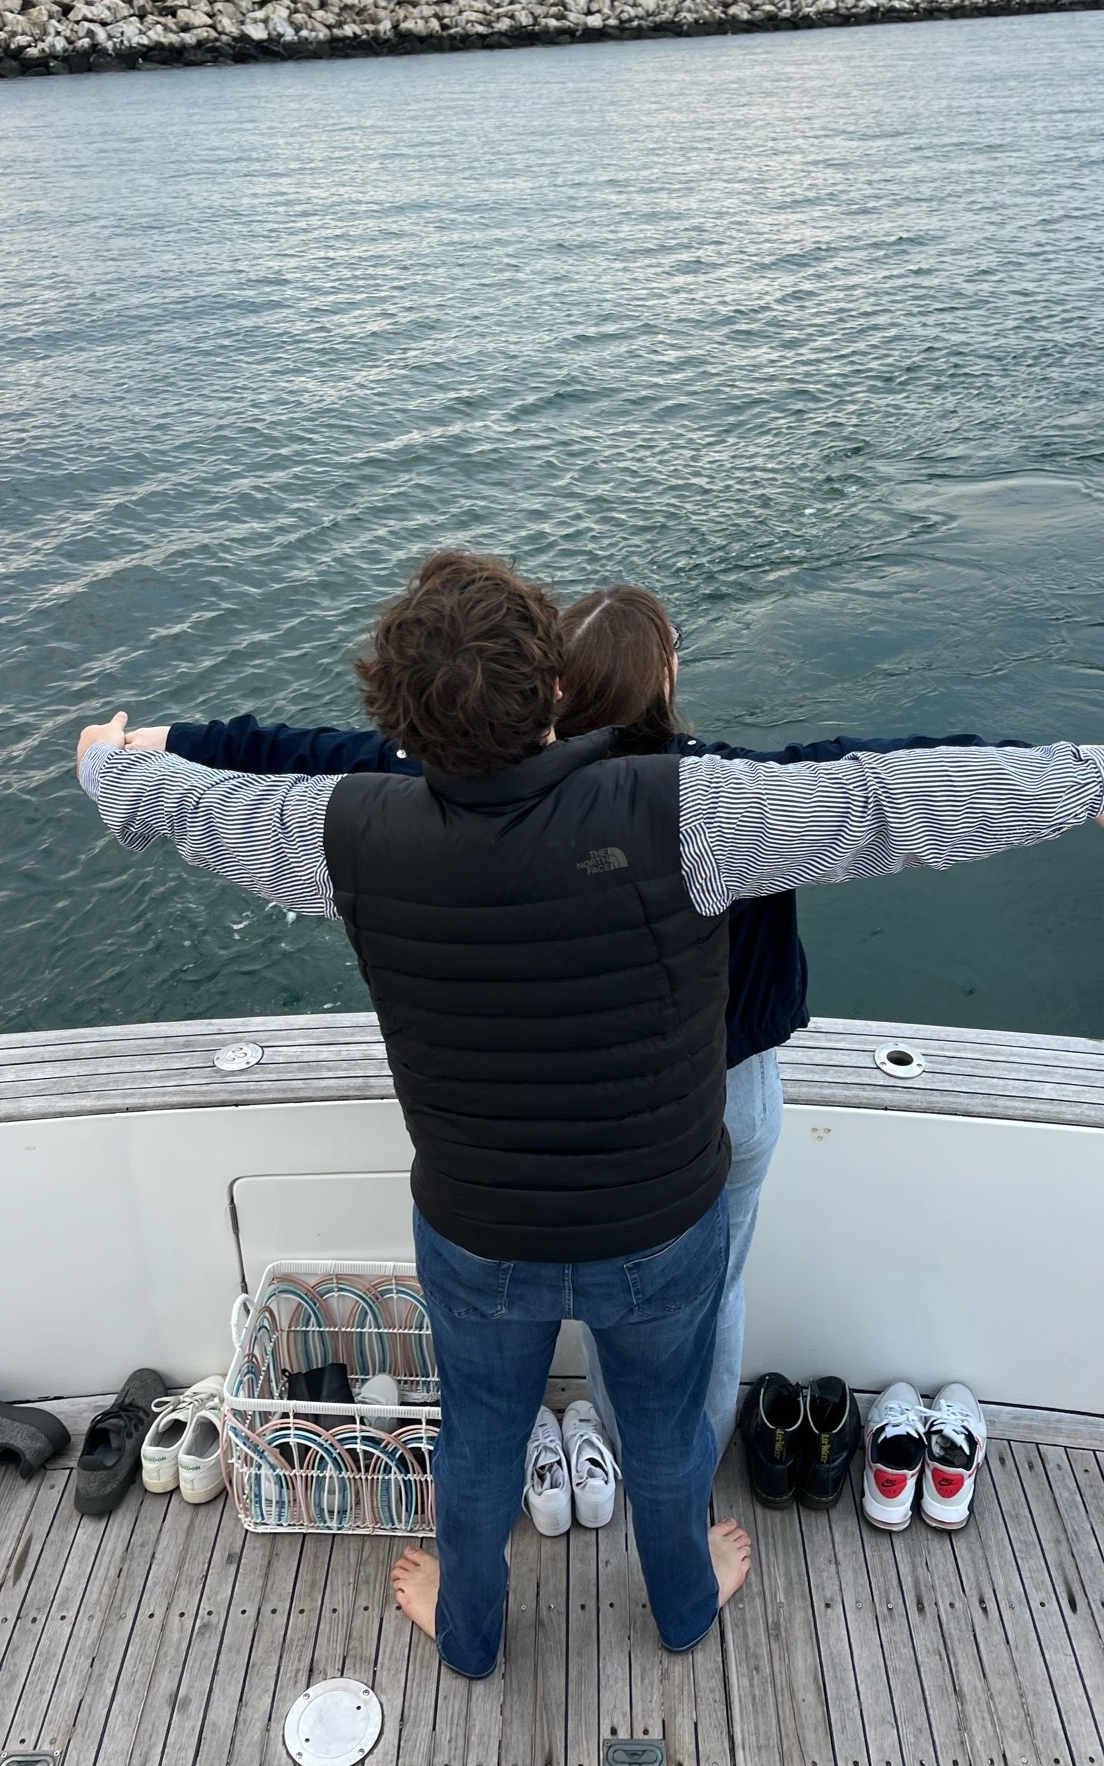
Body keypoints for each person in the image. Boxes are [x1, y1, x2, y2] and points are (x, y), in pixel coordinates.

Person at [77, 548, 1104, 1679]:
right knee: (663, 1441)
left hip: (478, 1236)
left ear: (397, 722)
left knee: (478, 1447)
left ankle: (467, 1638)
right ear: (553, 688)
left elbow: (200, 804)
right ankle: (684, 1609)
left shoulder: (344, 833)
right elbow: (887, 801)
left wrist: (108, 770)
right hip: (659, 1228)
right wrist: (1102, 774)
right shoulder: (688, 809)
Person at [127, 584, 1057, 1459]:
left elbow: (304, 754)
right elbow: (895, 781)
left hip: (520, 1104)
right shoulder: (729, 800)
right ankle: (675, 1458)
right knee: (703, 1293)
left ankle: (553, 1458)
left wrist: (154, 747)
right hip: (719, 1100)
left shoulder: (453, 797)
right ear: (665, 683)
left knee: (531, 1307)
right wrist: (1090, 778)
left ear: (555, 686)